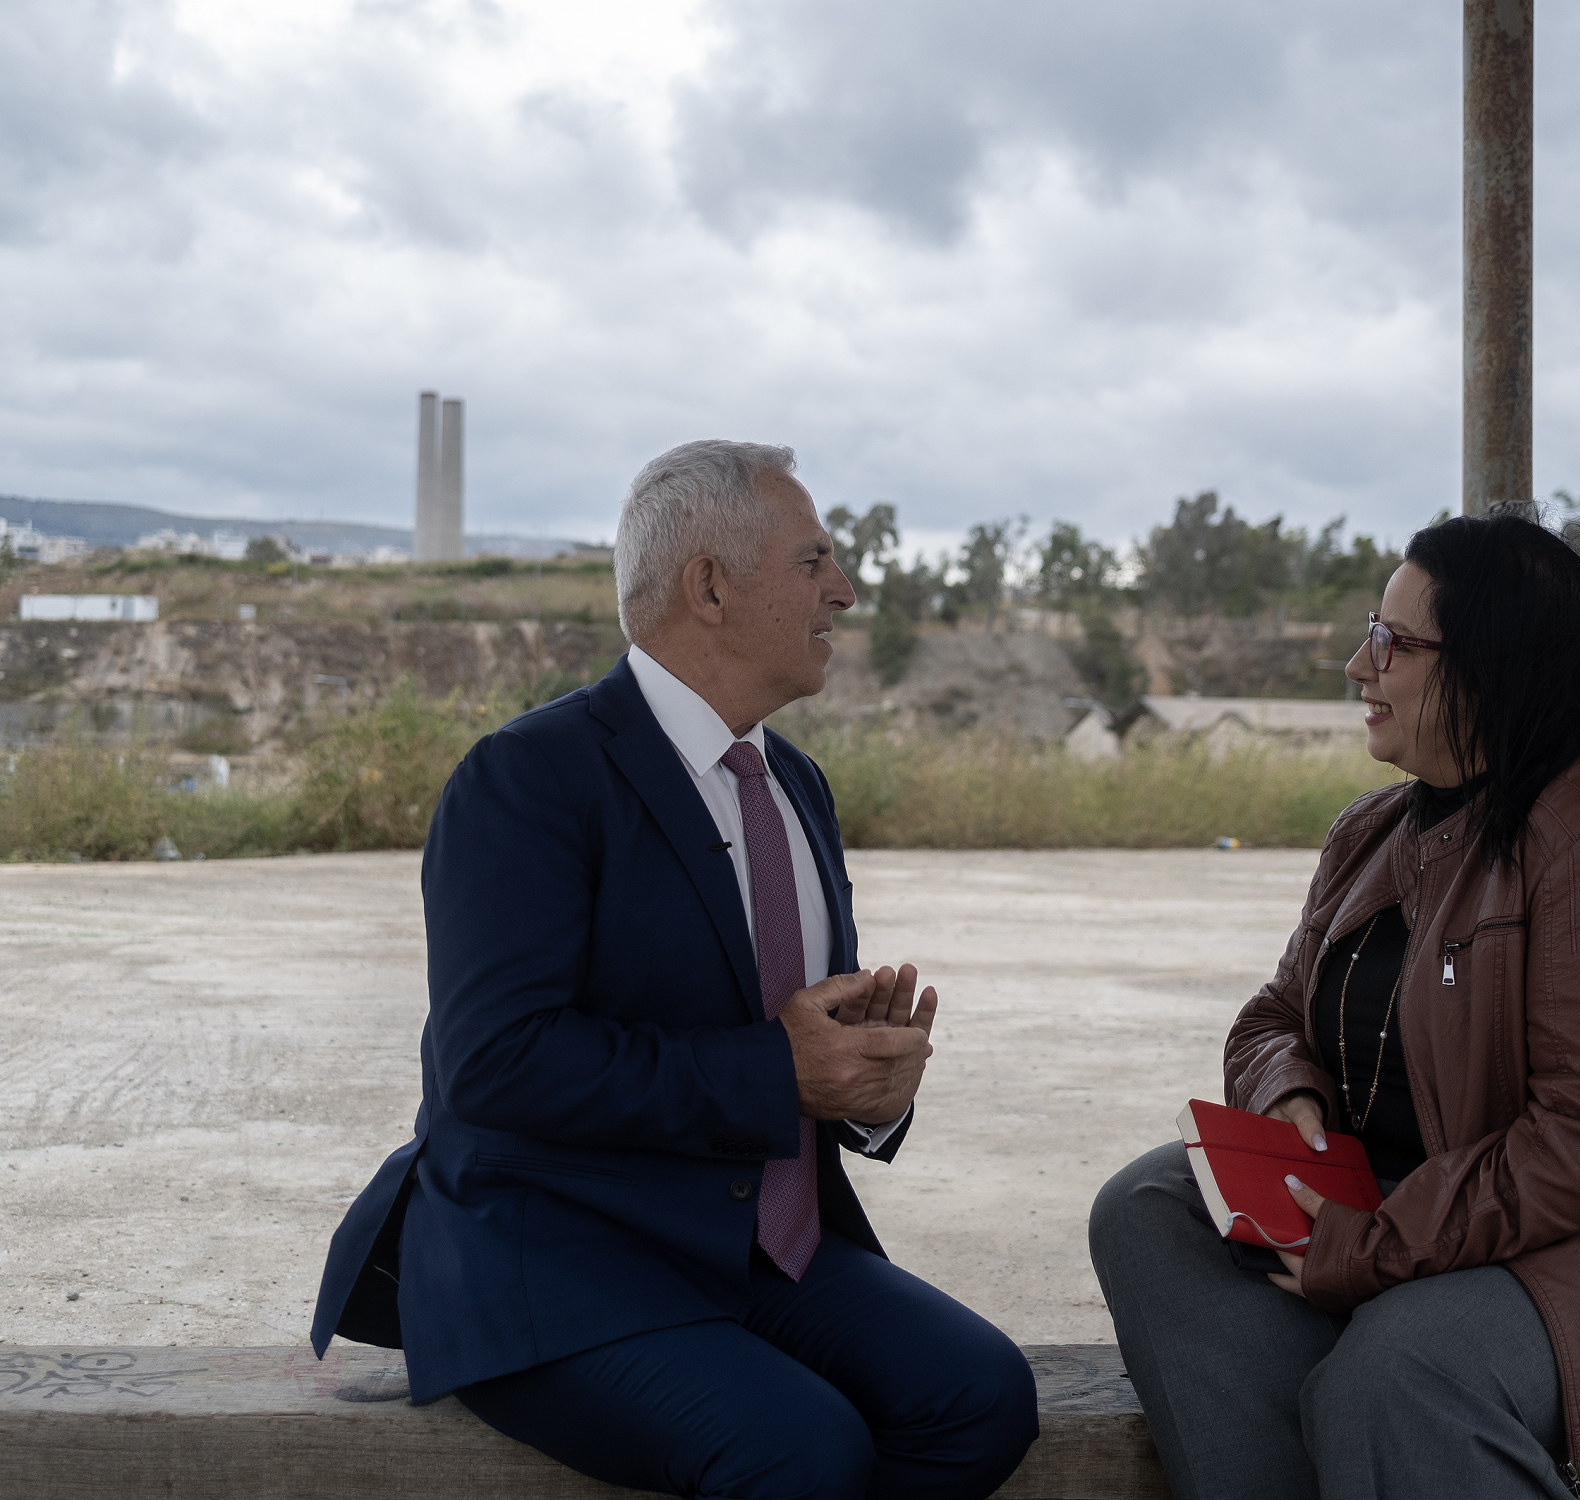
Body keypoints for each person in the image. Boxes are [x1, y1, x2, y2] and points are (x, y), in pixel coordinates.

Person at [311, 440, 1037, 1499]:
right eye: (813, 561)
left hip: (748, 1246)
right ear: (709, 586)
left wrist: (868, 1092)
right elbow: (496, 1064)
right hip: (555, 1258)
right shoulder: (529, 777)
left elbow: (799, 1040)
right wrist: (779, 1071)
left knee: (980, 1399)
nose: (843, 589)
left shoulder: (795, 784)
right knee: (800, 1451)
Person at [1088, 510, 1580, 1499]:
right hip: (1407, 1209)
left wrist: (1378, 1248)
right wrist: (1287, 1096)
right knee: (1149, 1207)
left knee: (1406, 1367)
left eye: (1392, 642)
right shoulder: (1370, 831)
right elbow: (1275, 1014)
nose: (1359, 666)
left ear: (1494, 667)